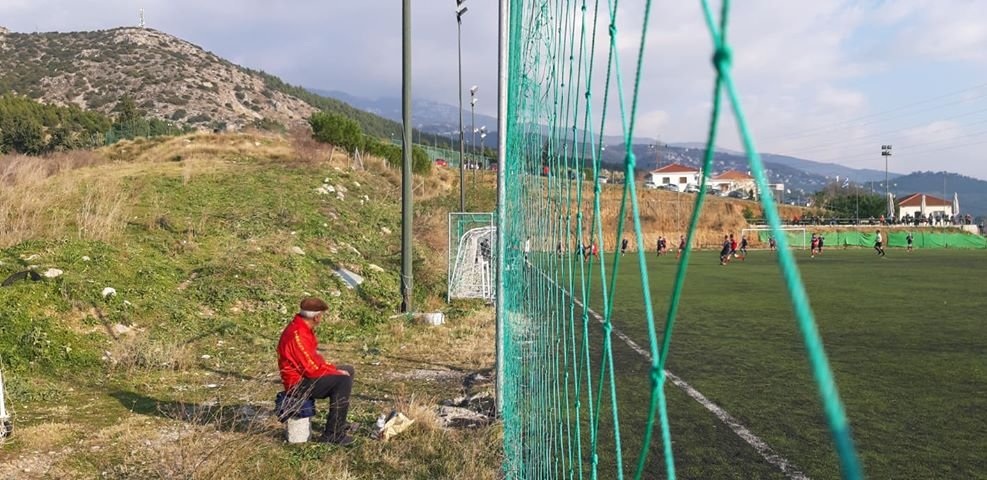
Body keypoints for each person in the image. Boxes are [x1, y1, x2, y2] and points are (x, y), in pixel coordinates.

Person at [277, 298, 355, 445]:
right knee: (342, 381)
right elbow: (311, 370)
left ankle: (338, 423)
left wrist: (334, 369)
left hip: (304, 377)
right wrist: (336, 373)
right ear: (317, 317)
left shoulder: (302, 328)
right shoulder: (297, 335)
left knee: (347, 371)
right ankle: (333, 435)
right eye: (322, 316)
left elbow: (314, 361)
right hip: (297, 384)